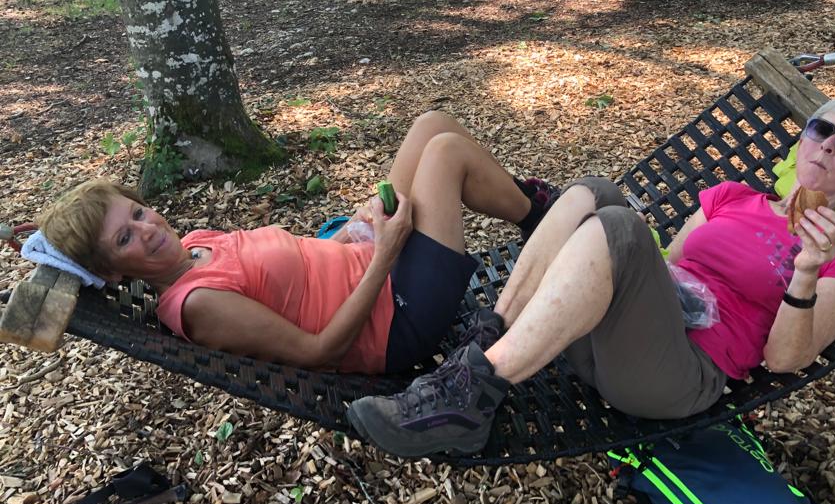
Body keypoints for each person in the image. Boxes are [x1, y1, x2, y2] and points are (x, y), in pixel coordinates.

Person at [347, 98, 835, 458]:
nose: (829, 144)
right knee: (597, 191)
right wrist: (618, 254)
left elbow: (784, 359)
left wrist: (806, 271)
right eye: (821, 129)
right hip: (609, 337)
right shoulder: (733, 197)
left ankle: (468, 396)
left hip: (675, 374)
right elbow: (672, 265)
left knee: (620, 226)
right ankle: (490, 335)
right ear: (803, 140)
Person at [35, 112, 558, 374]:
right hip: (395, 321)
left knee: (430, 125)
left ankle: (534, 209)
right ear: (112, 271)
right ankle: (539, 216)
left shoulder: (195, 242)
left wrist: (357, 231)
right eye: (125, 237)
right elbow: (318, 350)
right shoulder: (197, 303)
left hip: (370, 262)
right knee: (444, 153)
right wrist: (384, 253)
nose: (148, 229)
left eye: (138, 213)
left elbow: (300, 270)